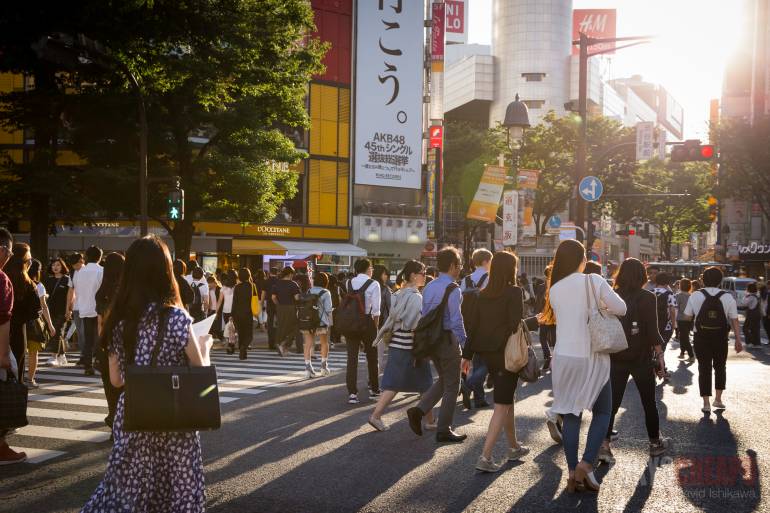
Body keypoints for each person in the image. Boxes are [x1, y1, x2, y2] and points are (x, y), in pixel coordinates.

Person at [81, 235, 205, 512]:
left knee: (127, 488)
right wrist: (205, 346)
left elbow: (116, 380)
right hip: (176, 416)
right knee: (177, 487)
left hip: (134, 413)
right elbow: (199, 370)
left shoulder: (118, 319)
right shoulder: (177, 318)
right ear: (165, 271)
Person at [540, 239, 626, 492]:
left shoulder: (554, 288)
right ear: (581, 259)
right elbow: (621, 308)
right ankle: (586, 465)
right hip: (591, 356)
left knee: (570, 414)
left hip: (564, 357)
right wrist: (600, 303)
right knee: (602, 412)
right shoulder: (594, 280)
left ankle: (572, 473)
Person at [463, 251, 533, 472]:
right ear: (510, 269)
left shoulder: (482, 294)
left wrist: (466, 355)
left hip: (486, 353)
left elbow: (472, 328)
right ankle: (485, 457)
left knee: (507, 399)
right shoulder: (514, 292)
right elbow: (515, 323)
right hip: (505, 354)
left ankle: (513, 447)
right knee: (502, 405)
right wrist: (534, 322)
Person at [598, 258, 668, 465]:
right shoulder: (648, 297)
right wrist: (660, 358)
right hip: (641, 357)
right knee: (649, 402)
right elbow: (653, 331)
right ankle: (655, 443)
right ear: (642, 276)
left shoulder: (612, 295)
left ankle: (604, 444)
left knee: (612, 403)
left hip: (615, 355)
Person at [406, 247, 468, 443]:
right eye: (459, 265)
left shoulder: (430, 286)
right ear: (451, 266)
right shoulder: (453, 289)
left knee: (444, 379)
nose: (460, 269)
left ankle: (418, 411)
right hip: (447, 341)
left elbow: (425, 315)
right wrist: (466, 344)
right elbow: (456, 321)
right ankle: (444, 429)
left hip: (431, 341)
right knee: (453, 385)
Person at [368, 260, 435, 431]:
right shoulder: (415, 297)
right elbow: (415, 325)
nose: (425, 275)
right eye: (423, 272)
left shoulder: (398, 293)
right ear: (413, 275)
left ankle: (430, 421)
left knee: (423, 383)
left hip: (397, 342)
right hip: (410, 346)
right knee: (400, 384)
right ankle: (375, 416)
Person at [683, 266, 743, 413]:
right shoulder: (728, 296)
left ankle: (706, 403)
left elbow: (687, 316)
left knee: (704, 368)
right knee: (720, 367)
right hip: (721, 337)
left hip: (701, 337)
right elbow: (734, 319)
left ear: (703, 279)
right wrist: (738, 339)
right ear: (720, 280)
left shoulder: (695, 295)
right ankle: (718, 399)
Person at [0, 228, 27, 464]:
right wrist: (4, 356)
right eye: (8, 250)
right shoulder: (2, 280)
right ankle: (1, 444)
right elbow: (3, 321)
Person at [343, 259, 381, 404]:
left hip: (350, 323)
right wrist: (375, 328)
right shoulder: (374, 284)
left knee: (351, 358)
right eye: (371, 267)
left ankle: (352, 393)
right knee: (372, 358)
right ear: (367, 269)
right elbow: (376, 311)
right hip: (367, 322)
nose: (372, 270)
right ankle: (374, 389)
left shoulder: (348, 283)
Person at [95, 252, 125, 428]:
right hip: (124, 342)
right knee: (123, 386)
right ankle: (121, 421)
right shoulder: (126, 292)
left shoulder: (102, 293)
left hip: (106, 344)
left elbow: (100, 323)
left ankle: (113, 415)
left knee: (109, 386)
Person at [459, 248, 492, 410]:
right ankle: (470, 386)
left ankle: (479, 398)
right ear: (486, 261)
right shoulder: (490, 278)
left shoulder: (466, 280)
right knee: (489, 361)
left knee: (477, 360)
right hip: (484, 324)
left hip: (467, 324)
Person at [6, 243, 42, 384]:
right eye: (29, 260)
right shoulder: (28, 283)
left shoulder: (4, 278)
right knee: (16, 369)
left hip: (5, 328)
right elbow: (35, 312)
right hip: (18, 331)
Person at [72, 246, 104, 375]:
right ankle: (99, 362)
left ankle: (88, 366)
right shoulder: (101, 270)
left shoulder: (80, 272)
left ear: (86, 257)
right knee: (99, 337)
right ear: (100, 257)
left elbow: (77, 290)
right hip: (98, 308)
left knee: (88, 338)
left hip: (84, 307)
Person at [24, 259, 55, 387]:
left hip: (18, 320)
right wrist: (50, 324)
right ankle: (30, 380)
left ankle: (17, 378)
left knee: (17, 351)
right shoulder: (39, 285)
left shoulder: (17, 281)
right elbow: (44, 307)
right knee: (33, 352)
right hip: (34, 322)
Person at [296, 273, 333, 377]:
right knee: (324, 343)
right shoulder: (326, 292)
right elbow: (328, 309)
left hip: (308, 321)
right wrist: (330, 322)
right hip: (321, 322)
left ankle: (308, 369)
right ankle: (323, 367)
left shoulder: (309, 291)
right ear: (326, 282)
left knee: (308, 344)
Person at [44, 257, 74, 366]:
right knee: (56, 332)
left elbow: (71, 296)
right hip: (50, 310)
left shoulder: (67, 279)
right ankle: (62, 355)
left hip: (63, 310)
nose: (55, 267)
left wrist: (69, 310)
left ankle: (54, 356)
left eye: (58, 265)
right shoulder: (48, 280)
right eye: (53, 265)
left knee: (56, 331)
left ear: (62, 266)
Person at [273, 266, 301, 356]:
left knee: (281, 326)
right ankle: (284, 344)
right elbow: (296, 297)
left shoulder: (277, 283)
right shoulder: (293, 284)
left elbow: (273, 297)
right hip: (290, 307)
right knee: (295, 327)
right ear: (290, 274)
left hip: (280, 307)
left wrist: (278, 304)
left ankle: (281, 346)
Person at [231, 268, 255, 360]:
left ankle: (242, 354)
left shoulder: (237, 287)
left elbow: (234, 302)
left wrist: (232, 314)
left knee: (241, 333)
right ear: (249, 276)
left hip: (237, 313)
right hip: (248, 312)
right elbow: (255, 300)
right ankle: (243, 347)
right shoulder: (252, 286)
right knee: (249, 334)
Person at [373, 264, 391, 371]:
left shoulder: (368, 286)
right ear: (380, 274)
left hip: (367, 325)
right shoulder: (385, 289)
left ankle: (371, 378)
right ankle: (373, 381)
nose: (387, 276)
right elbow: (391, 307)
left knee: (371, 355)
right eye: (385, 274)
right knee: (378, 355)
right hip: (381, 324)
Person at [215, 270, 237, 353]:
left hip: (226, 310)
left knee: (230, 328)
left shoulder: (223, 288)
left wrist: (216, 312)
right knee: (231, 328)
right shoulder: (237, 287)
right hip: (234, 310)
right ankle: (231, 344)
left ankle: (230, 345)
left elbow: (219, 301)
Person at [67, 252, 85, 356]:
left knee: (85, 332)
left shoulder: (88, 271)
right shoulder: (73, 273)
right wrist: (68, 308)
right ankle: (83, 354)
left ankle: (88, 355)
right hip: (77, 307)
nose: (74, 266)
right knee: (79, 332)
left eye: (76, 264)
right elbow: (70, 291)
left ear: (81, 261)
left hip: (89, 307)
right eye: (72, 264)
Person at [675, 279, 695, 361]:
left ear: (680, 286)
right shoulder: (692, 296)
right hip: (690, 319)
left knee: (684, 337)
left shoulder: (678, 296)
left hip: (681, 319)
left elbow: (676, 308)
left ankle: (691, 355)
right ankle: (682, 353)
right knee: (683, 336)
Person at [262, 268, 279, 349]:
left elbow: (263, 293)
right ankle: (276, 342)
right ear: (277, 273)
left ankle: (270, 343)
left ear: (270, 273)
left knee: (270, 323)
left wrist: (261, 303)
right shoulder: (279, 281)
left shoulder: (266, 281)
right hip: (278, 304)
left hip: (269, 304)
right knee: (277, 323)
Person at [741, 282, 761, 347]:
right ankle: (757, 343)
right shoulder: (758, 295)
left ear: (748, 289)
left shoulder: (750, 296)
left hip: (751, 314)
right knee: (755, 329)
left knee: (745, 328)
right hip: (758, 314)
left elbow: (744, 303)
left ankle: (750, 342)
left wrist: (745, 295)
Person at [327, 273, 343, 347]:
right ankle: (336, 339)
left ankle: (330, 339)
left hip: (328, 309)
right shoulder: (338, 288)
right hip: (336, 308)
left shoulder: (326, 289)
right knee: (336, 324)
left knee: (329, 325)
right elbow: (341, 298)